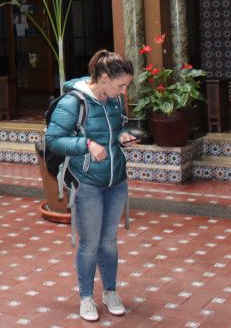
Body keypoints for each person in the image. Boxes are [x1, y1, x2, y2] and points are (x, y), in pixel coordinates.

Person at [45, 50, 138, 322]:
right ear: (105, 78)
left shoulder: (115, 100)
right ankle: (86, 297)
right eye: (121, 85)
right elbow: (53, 139)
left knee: (109, 241)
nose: (123, 91)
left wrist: (123, 137)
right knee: (90, 243)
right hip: (88, 183)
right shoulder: (73, 102)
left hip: (116, 179)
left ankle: (110, 291)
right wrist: (85, 145)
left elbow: (116, 129)